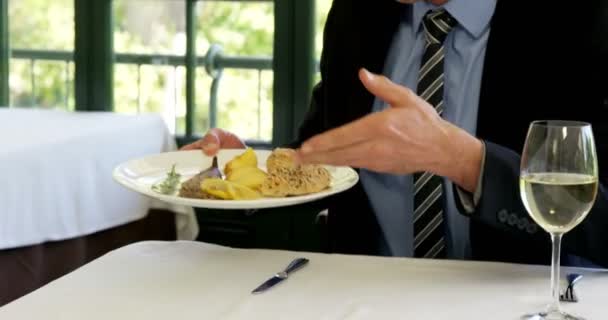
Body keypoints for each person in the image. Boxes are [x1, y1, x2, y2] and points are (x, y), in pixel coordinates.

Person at [183, 0, 608, 267]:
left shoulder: (581, 21)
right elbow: (321, 155)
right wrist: (247, 174)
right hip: (367, 300)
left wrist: (466, 162)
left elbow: (602, 220)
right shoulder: (357, 14)